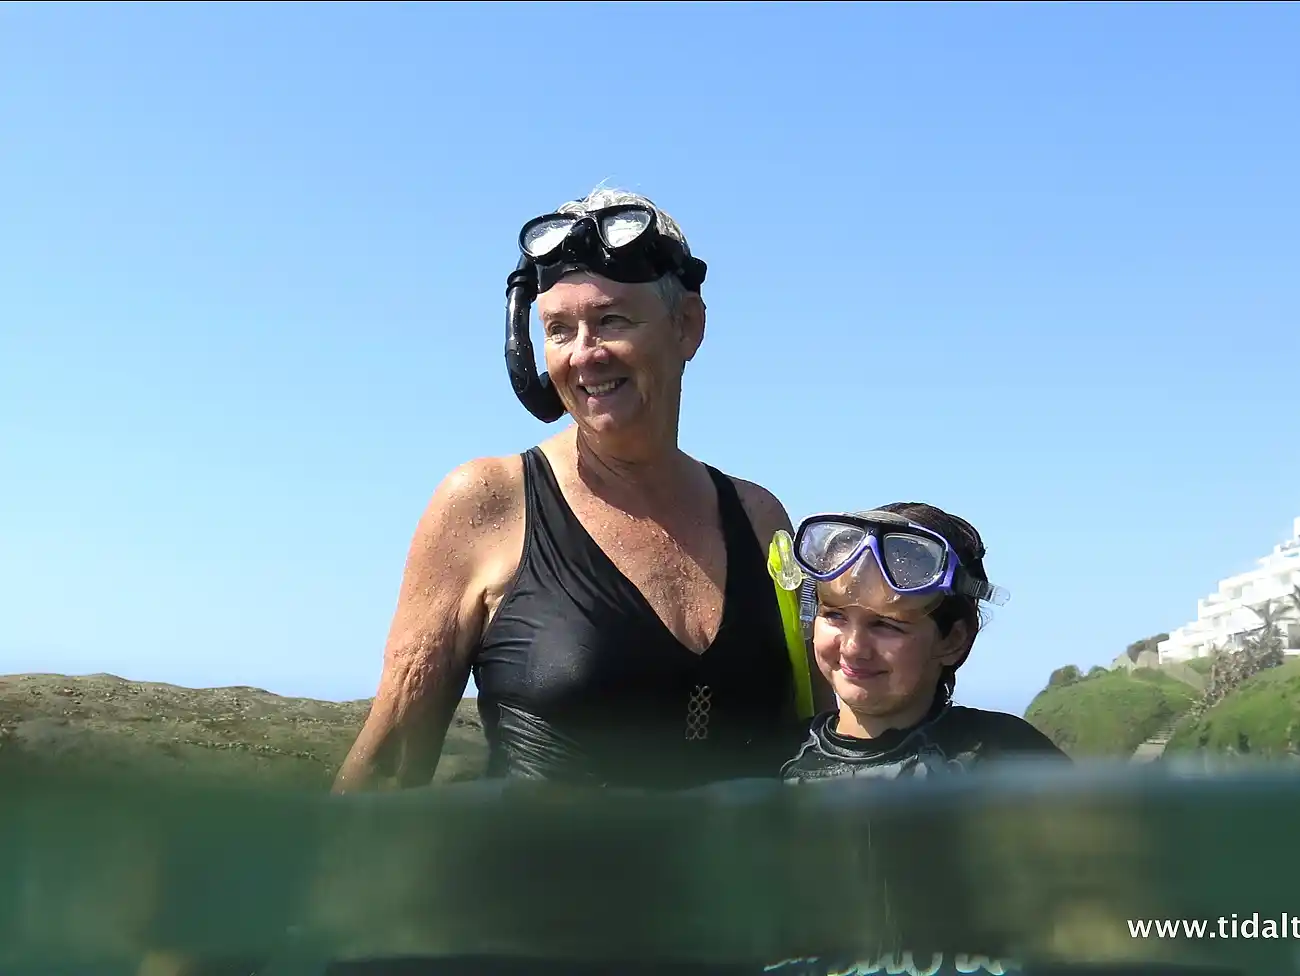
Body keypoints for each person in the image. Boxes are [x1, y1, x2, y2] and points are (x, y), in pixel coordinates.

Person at [332, 186, 833, 794]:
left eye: (612, 320)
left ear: (687, 326)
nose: (584, 355)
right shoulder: (488, 502)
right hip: (545, 886)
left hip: (738, 887)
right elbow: (391, 763)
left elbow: (818, 739)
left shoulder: (759, 518)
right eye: (559, 330)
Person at [770, 501, 1068, 782]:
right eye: (835, 616)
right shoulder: (774, 761)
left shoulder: (1006, 756)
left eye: (885, 625)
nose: (853, 647)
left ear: (953, 640)